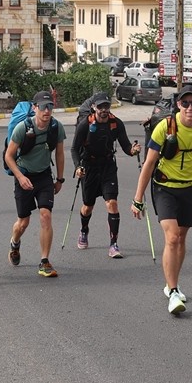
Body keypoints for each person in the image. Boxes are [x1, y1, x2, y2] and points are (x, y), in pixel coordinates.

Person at [130, 84, 192, 316]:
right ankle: (174, 290)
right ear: (178, 104)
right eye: (185, 103)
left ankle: (172, 284)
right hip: (164, 187)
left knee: (181, 238)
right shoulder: (164, 127)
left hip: (189, 187)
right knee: (172, 237)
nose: (190, 107)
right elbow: (149, 163)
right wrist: (137, 198)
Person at [4, 91, 67, 277]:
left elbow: (60, 154)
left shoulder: (56, 127)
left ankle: (44, 261)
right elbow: (9, 156)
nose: (47, 111)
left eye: (50, 107)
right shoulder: (23, 128)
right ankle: (15, 243)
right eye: (42, 107)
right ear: (35, 108)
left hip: (44, 176)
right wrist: (20, 178)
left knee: (45, 215)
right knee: (23, 222)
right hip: (23, 174)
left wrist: (60, 179)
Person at [73, 91, 141, 259]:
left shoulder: (116, 123)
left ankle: (113, 244)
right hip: (89, 166)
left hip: (108, 166)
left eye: (107, 106)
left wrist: (133, 151)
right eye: (101, 106)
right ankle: (83, 230)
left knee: (112, 203)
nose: (104, 110)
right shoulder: (85, 124)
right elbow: (74, 148)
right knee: (88, 206)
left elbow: (125, 145)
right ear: (94, 107)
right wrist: (77, 167)